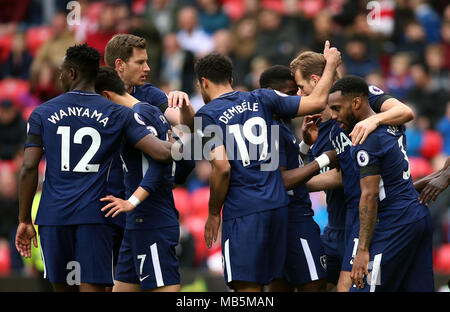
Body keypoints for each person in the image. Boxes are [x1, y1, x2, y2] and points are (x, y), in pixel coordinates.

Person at [15, 44, 173, 292]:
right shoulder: (118, 114)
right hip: (94, 217)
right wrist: (183, 140)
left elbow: (28, 168)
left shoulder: (41, 113)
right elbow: (162, 153)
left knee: (63, 287)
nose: (59, 76)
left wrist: (24, 219)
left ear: (72, 73)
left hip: (54, 217)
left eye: (62, 71)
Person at [195, 41, 342, 292]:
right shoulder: (262, 98)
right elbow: (317, 102)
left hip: (243, 212)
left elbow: (222, 168)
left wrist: (212, 213)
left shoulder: (206, 115)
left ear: (203, 83)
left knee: (250, 290)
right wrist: (330, 65)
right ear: (231, 78)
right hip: (277, 208)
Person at [290, 51, 415, 291]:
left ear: (316, 81)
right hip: (336, 222)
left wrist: (373, 121)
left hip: (366, 220)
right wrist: (305, 148)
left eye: (300, 87)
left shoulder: (362, 98)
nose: (298, 94)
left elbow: (405, 112)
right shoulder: (323, 125)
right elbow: (338, 171)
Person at [328, 75, 434, 292]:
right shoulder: (393, 124)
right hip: (417, 216)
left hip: (393, 223)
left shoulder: (365, 139)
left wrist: (363, 251)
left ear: (356, 103)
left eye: (337, 108)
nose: (333, 115)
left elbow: (369, 195)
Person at [94, 67, 181, 292]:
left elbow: (160, 161)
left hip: (151, 220)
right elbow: (183, 159)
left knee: (164, 287)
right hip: (138, 221)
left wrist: (132, 201)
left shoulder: (137, 116)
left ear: (105, 96)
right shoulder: (150, 111)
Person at [259, 65, 336, 292]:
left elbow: (282, 168)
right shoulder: (271, 128)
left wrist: (304, 146)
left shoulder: (275, 125)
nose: (298, 98)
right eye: (293, 93)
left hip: (279, 218)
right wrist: (324, 159)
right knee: (315, 285)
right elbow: (282, 180)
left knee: (279, 285)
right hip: (294, 220)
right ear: (275, 94)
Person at [104, 33, 195, 131]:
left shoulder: (150, 93)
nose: (147, 68)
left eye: (146, 62)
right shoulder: (96, 94)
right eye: (140, 62)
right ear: (120, 64)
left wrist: (184, 107)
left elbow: (189, 126)